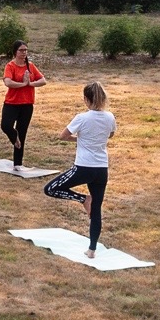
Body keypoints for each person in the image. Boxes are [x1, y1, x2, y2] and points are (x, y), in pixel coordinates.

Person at [44, 81, 115, 258]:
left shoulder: (82, 118)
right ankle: (92, 250)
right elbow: (111, 134)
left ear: (86, 99)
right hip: (101, 169)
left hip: (84, 167)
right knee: (97, 209)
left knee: (50, 189)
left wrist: (80, 140)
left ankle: (83, 198)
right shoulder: (109, 117)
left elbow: (63, 136)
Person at [0, 41, 47, 167]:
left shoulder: (30, 66)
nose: (24, 52)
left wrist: (30, 83)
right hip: (11, 103)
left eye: (25, 50)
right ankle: (14, 137)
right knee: (5, 126)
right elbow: (8, 82)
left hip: (27, 104)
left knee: (22, 132)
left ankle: (18, 164)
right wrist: (23, 84)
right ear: (15, 52)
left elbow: (43, 80)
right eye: (21, 50)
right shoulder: (10, 66)